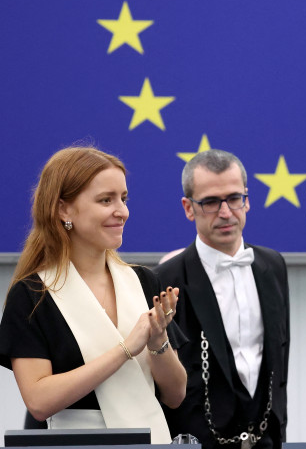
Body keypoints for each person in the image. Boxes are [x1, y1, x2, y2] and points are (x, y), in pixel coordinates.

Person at [0, 147, 185, 443]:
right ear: (64, 210)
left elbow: (176, 395)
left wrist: (157, 340)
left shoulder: (143, 281)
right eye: (106, 200)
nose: (122, 211)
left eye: (123, 199)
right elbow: (38, 401)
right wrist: (125, 349)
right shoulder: (32, 295)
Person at [154, 149, 290, 448]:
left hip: (266, 440)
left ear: (247, 199)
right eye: (211, 202)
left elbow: (278, 363)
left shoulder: (273, 265)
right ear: (188, 208)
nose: (226, 212)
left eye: (234, 198)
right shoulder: (165, 279)